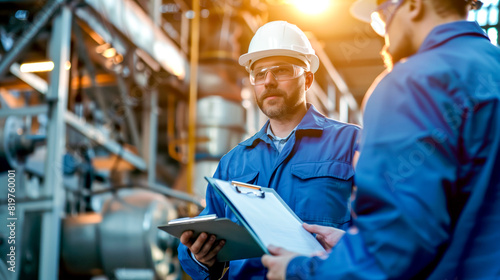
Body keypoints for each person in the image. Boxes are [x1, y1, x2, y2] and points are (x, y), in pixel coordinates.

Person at [261, 0, 500, 279]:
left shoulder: (413, 83)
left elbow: (392, 251)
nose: (383, 34)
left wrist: (298, 270)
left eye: (382, 16)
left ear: (413, 6)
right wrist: (352, 244)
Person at [177, 21, 360, 279]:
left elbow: (387, 227)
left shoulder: (350, 143)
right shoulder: (234, 162)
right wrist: (199, 256)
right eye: (259, 74)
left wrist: (346, 247)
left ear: (307, 79)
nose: (269, 81)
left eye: (281, 70)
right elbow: (207, 229)